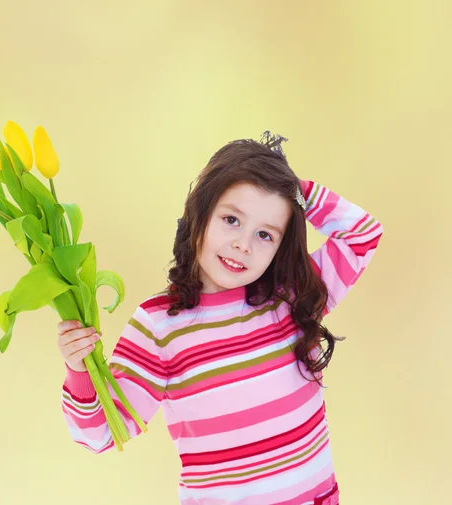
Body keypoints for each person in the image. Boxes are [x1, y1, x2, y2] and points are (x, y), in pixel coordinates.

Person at [57, 131, 383, 505]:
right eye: (231, 219)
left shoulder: (294, 297)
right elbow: (99, 434)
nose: (243, 243)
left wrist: (294, 189)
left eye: (265, 234)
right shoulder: (160, 325)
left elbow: (363, 234)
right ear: (201, 213)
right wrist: (77, 369)